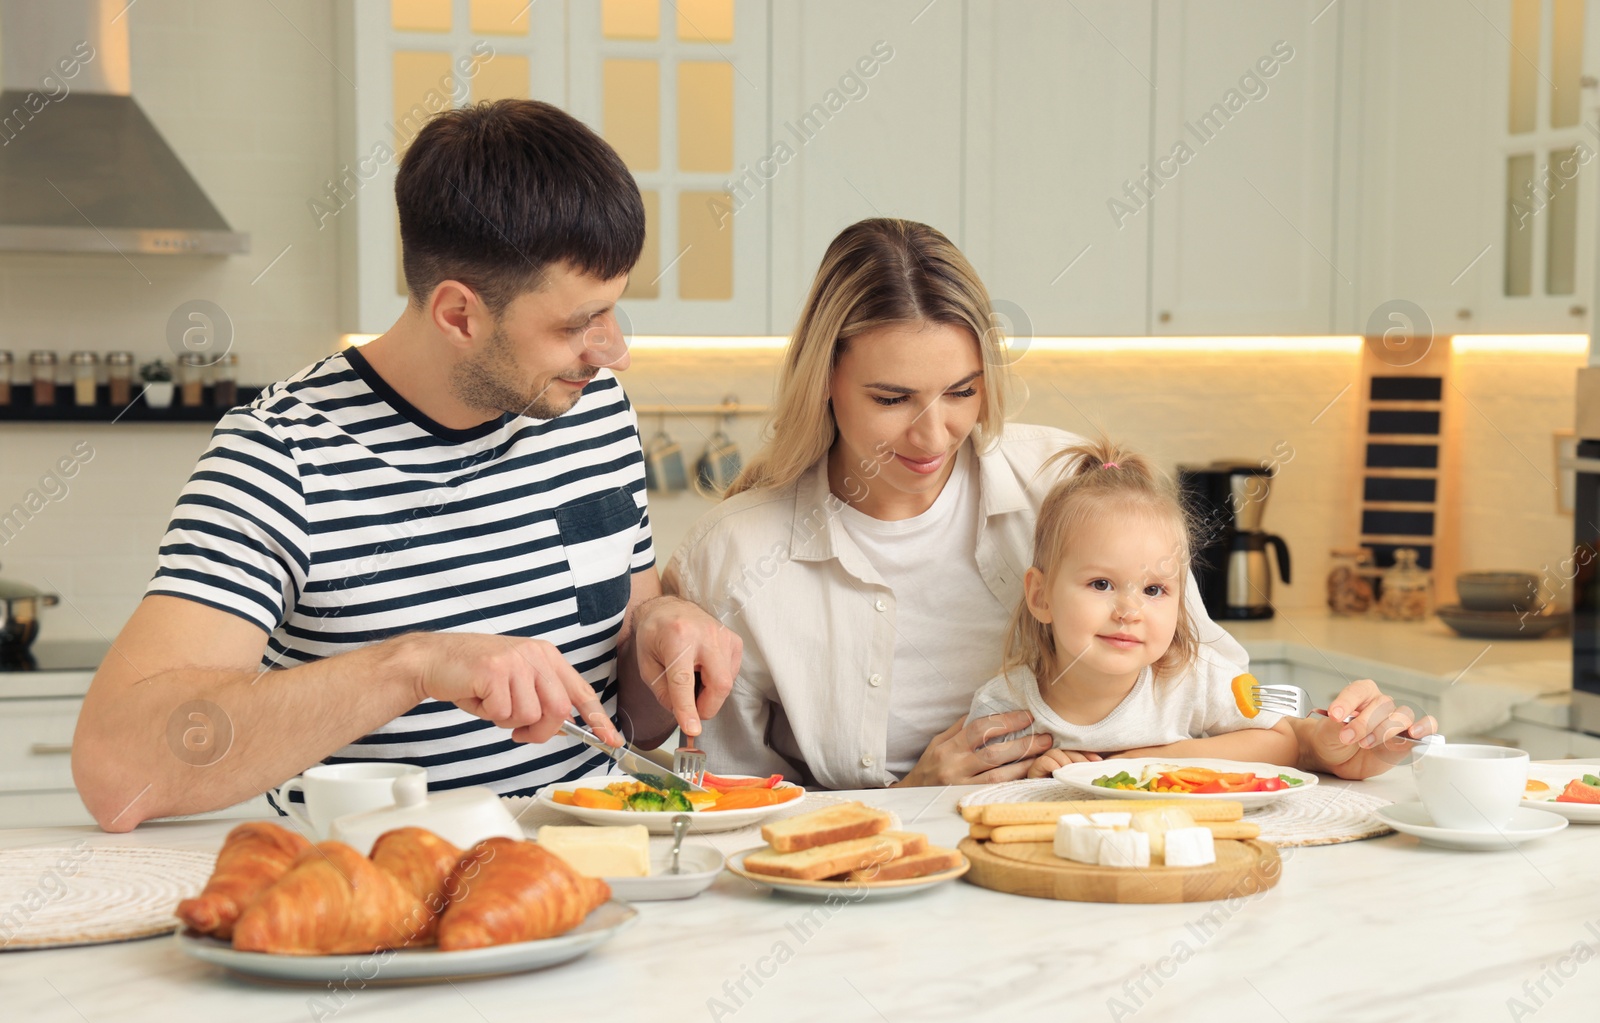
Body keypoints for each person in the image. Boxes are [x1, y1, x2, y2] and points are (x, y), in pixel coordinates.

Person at [73, 100, 740, 832]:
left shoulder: (594, 408)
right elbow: (116, 770)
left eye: (613, 310)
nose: (614, 350)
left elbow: (629, 715)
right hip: (371, 900)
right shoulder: (281, 456)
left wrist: (661, 629)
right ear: (459, 314)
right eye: (578, 323)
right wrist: (414, 664)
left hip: (587, 879)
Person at [664, 217, 1436, 789]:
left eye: (962, 392)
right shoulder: (737, 556)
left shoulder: (1063, 484)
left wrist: (1326, 743)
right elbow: (726, 814)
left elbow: (1220, 697)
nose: (934, 434)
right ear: (825, 381)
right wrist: (911, 799)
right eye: (892, 397)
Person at [965, 439, 1298, 777]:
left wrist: (1160, 758)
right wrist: (1030, 778)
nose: (1129, 611)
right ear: (1040, 597)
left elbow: (1282, 741)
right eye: (1101, 584)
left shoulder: (1194, 682)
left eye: (1153, 589)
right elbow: (973, 797)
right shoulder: (1004, 707)